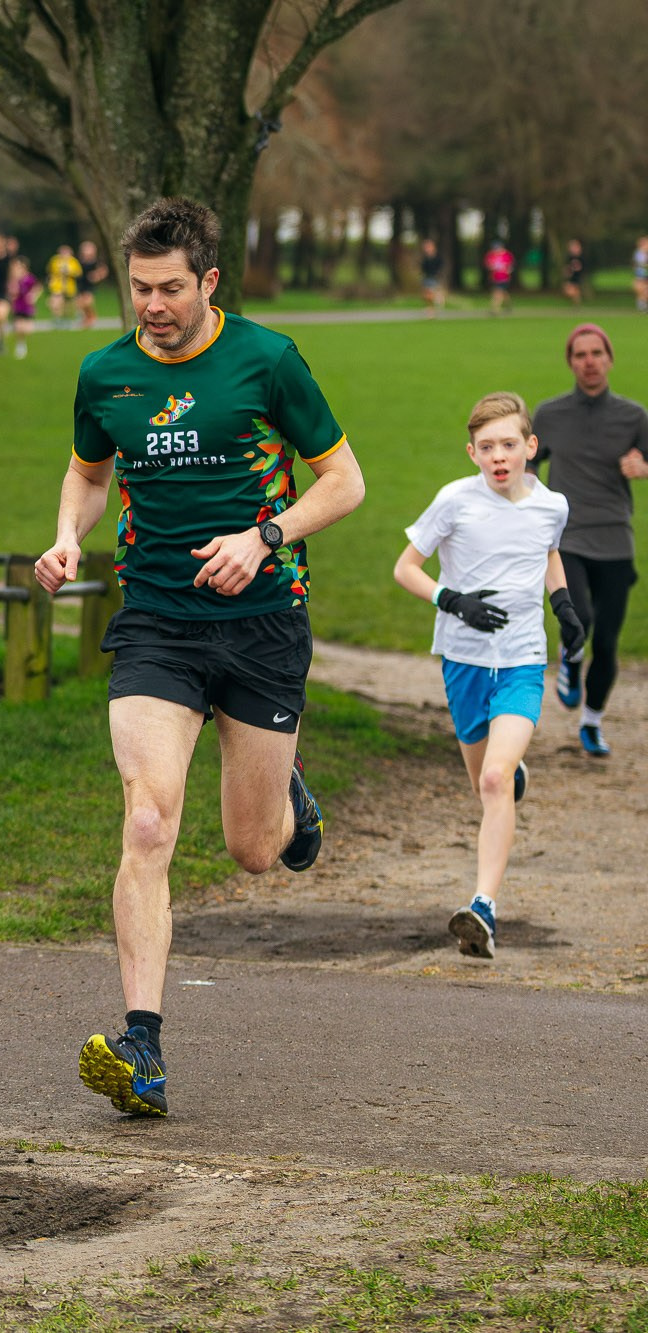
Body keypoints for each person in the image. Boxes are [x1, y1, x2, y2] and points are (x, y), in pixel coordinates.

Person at [36, 197, 365, 1118]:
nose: (152, 305)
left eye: (170, 288)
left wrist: (265, 536)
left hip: (263, 620)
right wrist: (66, 534)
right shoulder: (106, 375)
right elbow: (89, 475)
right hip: (157, 622)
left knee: (255, 851)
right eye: (139, 288)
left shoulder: (268, 360)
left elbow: (346, 481)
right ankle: (142, 1042)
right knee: (147, 821)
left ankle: (289, 796)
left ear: (209, 281)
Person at [393, 392, 584, 960]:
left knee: (496, 782)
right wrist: (453, 601)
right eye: (486, 447)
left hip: (523, 659)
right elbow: (405, 569)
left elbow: (548, 552)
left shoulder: (553, 505)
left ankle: (482, 907)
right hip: (463, 661)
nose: (498, 456)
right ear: (471, 453)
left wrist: (564, 604)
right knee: (485, 781)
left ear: (530, 447)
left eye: (508, 445)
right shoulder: (455, 501)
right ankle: (509, 768)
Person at [533, 323, 648, 755]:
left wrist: (644, 468)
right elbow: (527, 465)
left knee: (608, 642)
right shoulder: (549, 414)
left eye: (596, 353)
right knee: (578, 615)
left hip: (616, 540)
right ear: (570, 362)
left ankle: (592, 722)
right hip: (568, 538)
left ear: (609, 358)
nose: (589, 361)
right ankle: (569, 654)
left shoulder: (634, 417)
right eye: (580, 354)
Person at [6, 255, 40, 359]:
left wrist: (33, 296)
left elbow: (37, 287)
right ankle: (20, 345)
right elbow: (11, 292)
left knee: (28, 330)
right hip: (17, 306)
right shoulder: (13, 280)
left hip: (27, 306)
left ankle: (23, 341)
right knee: (18, 327)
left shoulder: (29, 278)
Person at [46, 243, 83, 327]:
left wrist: (69, 272)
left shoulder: (73, 261)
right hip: (57, 285)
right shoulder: (55, 260)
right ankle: (57, 318)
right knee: (56, 301)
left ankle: (66, 319)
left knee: (68, 304)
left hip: (69, 286)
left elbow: (78, 273)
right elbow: (50, 271)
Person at [76, 240, 109, 330]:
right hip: (80, 284)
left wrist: (96, 276)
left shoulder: (96, 261)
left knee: (87, 301)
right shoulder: (79, 261)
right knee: (79, 303)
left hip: (89, 284)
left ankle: (91, 317)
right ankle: (86, 319)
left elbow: (104, 271)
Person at [485, 240, 514, 315]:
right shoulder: (491, 255)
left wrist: (507, 270)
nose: (496, 250)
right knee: (503, 293)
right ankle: (508, 305)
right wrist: (492, 267)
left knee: (497, 293)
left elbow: (510, 266)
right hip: (495, 277)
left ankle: (495, 310)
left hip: (504, 278)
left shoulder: (507, 255)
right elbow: (488, 265)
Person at [419, 237, 446, 317]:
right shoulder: (425, 258)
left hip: (434, 278)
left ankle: (436, 301)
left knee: (430, 294)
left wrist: (438, 274)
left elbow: (441, 266)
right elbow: (423, 268)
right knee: (426, 296)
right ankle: (431, 309)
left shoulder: (437, 257)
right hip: (427, 277)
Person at [561, 239, 587, 306]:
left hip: (577, 276)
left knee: (574, 290)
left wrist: (574, 269)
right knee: (568, 290)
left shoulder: (581, 258)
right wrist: (567, 271)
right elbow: (567, 267)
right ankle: (576, 302)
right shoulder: (570, 257)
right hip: (571, 276)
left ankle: (576, 304)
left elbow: (581, 268)